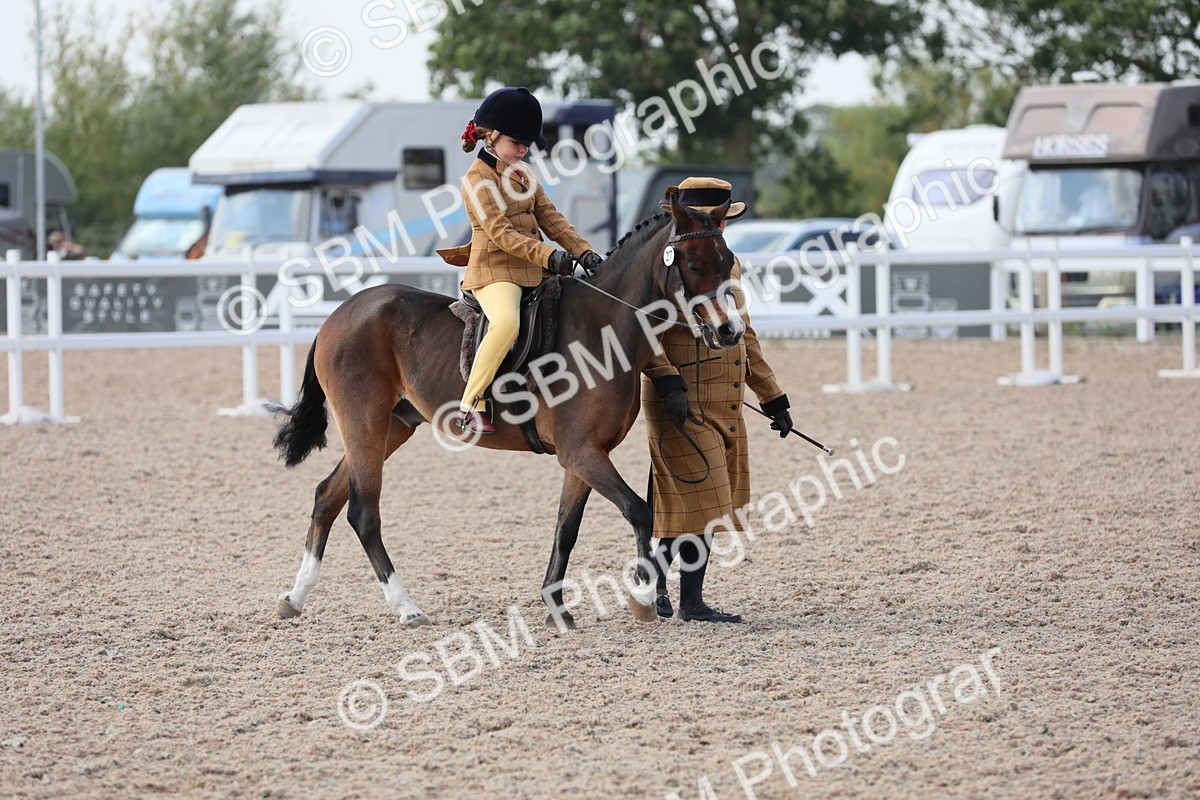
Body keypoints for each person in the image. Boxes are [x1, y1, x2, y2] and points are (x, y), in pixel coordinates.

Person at [642, 177, 793, 623]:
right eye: (716, 218)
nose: (722, 226)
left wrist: (773, 396)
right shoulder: (665, 265)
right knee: (698, 498)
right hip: (682, 398)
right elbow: (644, 331)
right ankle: (647, 580)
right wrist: (666, 378)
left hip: (726, 399)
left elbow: (745, 333)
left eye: (724, 219)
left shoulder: (728, 263)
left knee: (707, 507)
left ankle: (690, 601)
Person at [437, 86, 604, 435]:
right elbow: (499, 233)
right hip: (495, 271)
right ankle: (470, 405)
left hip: (534, 268)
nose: (524, 150)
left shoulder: (524, 173)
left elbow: (552, 218)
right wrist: (549, 255)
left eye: (527, 145)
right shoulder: (476, 179)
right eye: (517, 143)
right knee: (507, 324)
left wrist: (583, 251)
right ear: (492, 136)